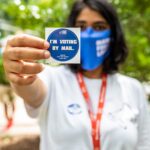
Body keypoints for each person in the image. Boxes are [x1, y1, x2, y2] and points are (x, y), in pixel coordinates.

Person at [2, 0, 150, 150]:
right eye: (81, 27)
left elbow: (145, 144)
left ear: (113, 35)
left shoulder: (133, 88)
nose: (89, 34)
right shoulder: (52, 78)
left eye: (99, 27)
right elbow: (32, 90)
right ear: (71, 32)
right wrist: (20, 73)